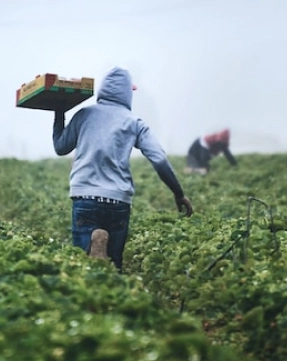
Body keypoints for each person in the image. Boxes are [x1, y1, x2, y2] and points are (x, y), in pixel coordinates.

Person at [52, 66, 193, 273]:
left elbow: (60, 147)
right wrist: (178, 193)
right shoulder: (134, 123)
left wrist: (59, 113)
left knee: (82, 267)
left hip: (85, 197)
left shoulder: (84, 115)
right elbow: (159, 159)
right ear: (128, 93)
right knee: (114, 267)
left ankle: (94, 244)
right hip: (117, 200)